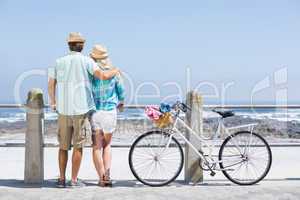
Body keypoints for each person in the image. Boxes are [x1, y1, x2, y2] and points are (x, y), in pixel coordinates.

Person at [48, 32, 120, 188]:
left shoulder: (59, 62)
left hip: (63, 109)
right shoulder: (87, 61)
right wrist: (115, 71)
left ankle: (61, 179)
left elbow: (51, 83)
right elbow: (101, 75)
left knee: (63, 147)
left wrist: (53, 102)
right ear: (82, 46)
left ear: (69, 45)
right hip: (81, 110)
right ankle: (73, 180)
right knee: (78, 146)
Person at [89, 44, 125, 187]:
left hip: (96, 112)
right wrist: (121, 101)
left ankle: (101, 177)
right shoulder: (114, 72)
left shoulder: (92, 73)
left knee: (97, 146)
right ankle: (108, 176)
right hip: (110, 112)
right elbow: (121, 90)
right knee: (107, 145)